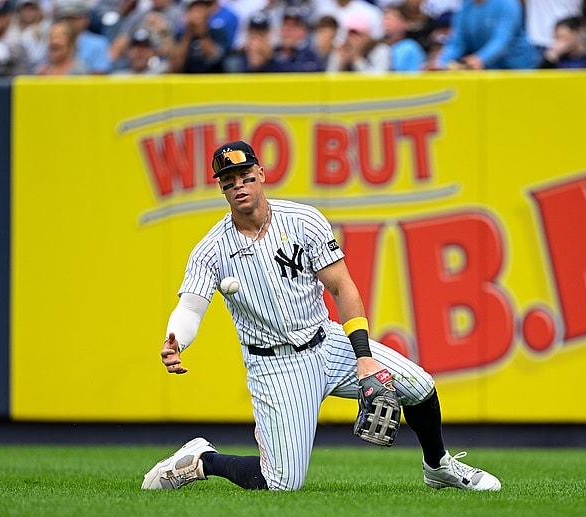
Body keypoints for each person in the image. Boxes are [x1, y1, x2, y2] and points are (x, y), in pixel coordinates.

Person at [141, 140, 503, 493]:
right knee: (281, 483)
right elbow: (190, 306)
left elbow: (343, 287)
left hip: (327, 342)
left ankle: (438, 466)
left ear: (261, 174)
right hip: (275, 366)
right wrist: (177, 340)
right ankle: (202, 459)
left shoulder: (304, 221)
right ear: (221, 187)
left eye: (246, 176)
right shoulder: (212, 248)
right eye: (229, 181)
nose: (239, 186)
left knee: (421, 386)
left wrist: (364, 359)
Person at [427, 0, 540, 70]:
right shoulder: (464, 8)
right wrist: (441, 62)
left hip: (520, 70)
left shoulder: (508, 3)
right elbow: (458, 42)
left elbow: (502, 39)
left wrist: (480, 58)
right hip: (490, 70)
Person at [169, 0, 230, 73]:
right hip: (187, 78)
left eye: (203, 8)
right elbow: (177, 65)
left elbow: (214, 58)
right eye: (196, 9)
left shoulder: (217, 31)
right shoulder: (180, 33)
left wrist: (202, 33)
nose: (199, 13)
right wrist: (188, 34)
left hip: (212, 78)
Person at [54, 0, 111, 73]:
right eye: (66, 18)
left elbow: (99, 76)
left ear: (86, 20)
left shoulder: (98, 43)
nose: (69, 22)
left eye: (74, 18)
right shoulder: (55, 42)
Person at [267, 3, 323, 72]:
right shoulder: (270, 54)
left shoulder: (311, 57)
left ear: (304, 31)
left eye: (294, 25)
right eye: (285, 24)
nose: (288, 30)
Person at [383, 3, 425, 71]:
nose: (386, 23)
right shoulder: (376, 47)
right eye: (385, 19)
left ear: (405, 23)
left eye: (390, 19)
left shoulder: (410, 47)